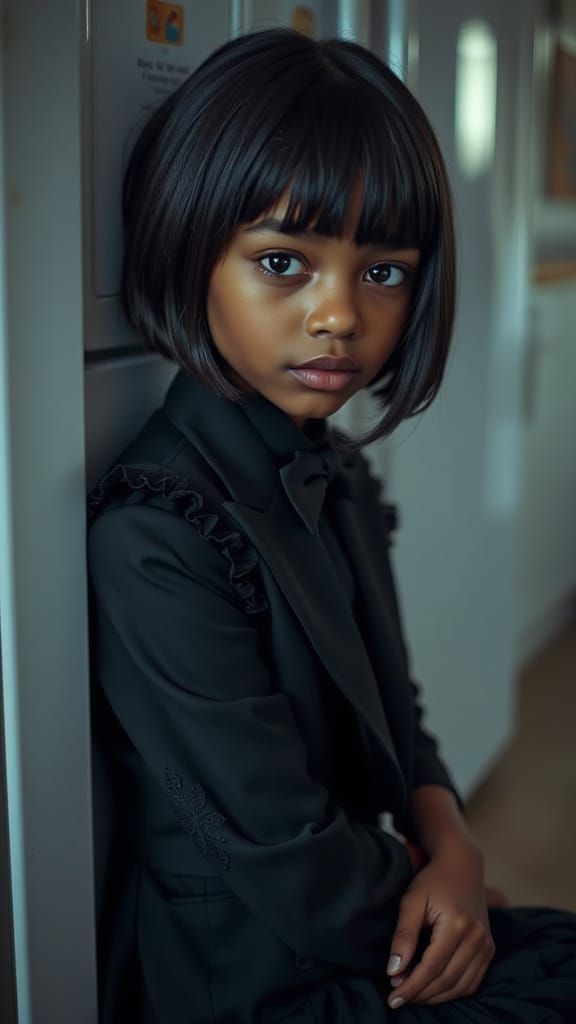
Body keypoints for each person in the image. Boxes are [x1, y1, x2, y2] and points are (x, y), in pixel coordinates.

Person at [86, 26, 576, 1024]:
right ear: (190, 248)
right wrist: (436, 911)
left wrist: (451, 838)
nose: (340, 315)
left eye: (384, 272)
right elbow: (282, 849)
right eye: (282, 261)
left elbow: (401, 709)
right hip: (256, 982)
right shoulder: (157, 533)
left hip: (370, 923)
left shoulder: (334, 466)